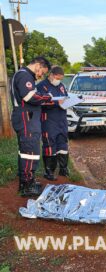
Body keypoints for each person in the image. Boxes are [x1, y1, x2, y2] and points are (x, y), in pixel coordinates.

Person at [10, 57, 52, 197]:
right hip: (26, 117)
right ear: (38, 65)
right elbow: (30, 97)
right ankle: (27, 185)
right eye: (42, 72)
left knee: (25, 150)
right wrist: (48, 97)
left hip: (26, 116)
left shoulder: (23, 74)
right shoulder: (24, 75)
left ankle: (25, 181)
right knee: (30, 150)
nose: (41, 75)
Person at [37, 66, 69, 181]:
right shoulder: (41, 86)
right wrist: (56, 101)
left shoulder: (61, 86)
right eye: (57, 77)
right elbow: (39, 101)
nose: (58, 80)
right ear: (51, 75)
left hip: (62, 119)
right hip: (48, 120)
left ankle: (63, 168)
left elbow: (65, 97)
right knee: (50, 144)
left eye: (60, 78)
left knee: (63, 143)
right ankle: (49, 171)